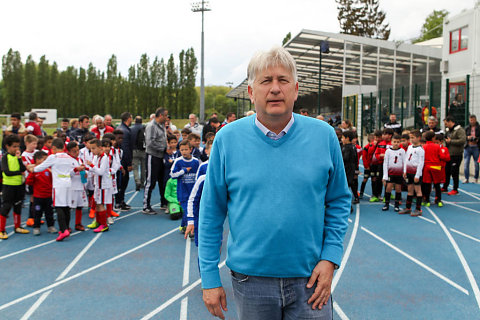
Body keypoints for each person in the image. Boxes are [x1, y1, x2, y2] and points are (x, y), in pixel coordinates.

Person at [198, 47, 350, 320]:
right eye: (266, 81)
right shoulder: (227, 140)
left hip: (311, 278)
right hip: (250, 281)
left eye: (283, 80)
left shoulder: (324, 136)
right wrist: (209, 276)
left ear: (296, 89)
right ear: (251, 92)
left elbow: (338, 200)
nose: (275, 89)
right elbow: (211, 212)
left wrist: (330, 257)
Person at [29, 138, 83, 241]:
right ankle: (66, 227)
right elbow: (74, 169)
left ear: (53, 148)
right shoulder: (69, 157)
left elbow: (41, 167)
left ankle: (63, 230)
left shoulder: (53, 157)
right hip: (68, 183)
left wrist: (32, 169)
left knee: (59, 207)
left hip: (58, 185)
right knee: (66, 207)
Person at [0, 135, 30, 239]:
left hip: (19, 185)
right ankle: (1, 230)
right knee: (6, 207)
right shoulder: (5, 157)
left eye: (18, 146)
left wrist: (18, 159)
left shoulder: (18, 157)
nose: (17, 149)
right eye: (14, 146)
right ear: (7, 146)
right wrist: (19, 173)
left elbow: (23, 168)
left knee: (18, 206)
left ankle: (17, 226)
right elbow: (7, 172)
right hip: (9, 186)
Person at [185, 140, 212, 244]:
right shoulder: (203, 174)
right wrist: (191, 221)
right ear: (206, 151)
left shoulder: (225, 168)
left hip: (215, 214)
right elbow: (193, 198)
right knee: (202, 244)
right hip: (202, 211)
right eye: (212, 149)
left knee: (216, 243)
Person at [170, 140, 200, 233]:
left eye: (186, 149)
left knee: (191, 210)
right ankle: (191, 229)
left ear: (191, 149)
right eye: (182, 150)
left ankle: (183, 225)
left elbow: (199, 176)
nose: (184, 152)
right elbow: (172, 174)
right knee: (187, 210)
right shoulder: (178, 161)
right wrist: (183, 171)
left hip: (193, 191)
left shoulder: (196, 161)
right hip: (182, 191)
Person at [143, 108, 168, 214]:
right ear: (160, 115)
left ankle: (163, 202)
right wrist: (164, 148)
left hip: (161, 156)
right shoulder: (151, 126)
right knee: (150, 181)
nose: (167, 118)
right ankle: (146, 206)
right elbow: (150, 143)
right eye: (166, 115)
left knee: (162, 180)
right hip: (152, 156)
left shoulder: (162, 126)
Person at [26, 151, 56, 235]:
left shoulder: (48, 171)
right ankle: (36, 227)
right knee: (37, 213)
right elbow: (29, 182)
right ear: (37, 160)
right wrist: (32, 173)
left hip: (48, 196)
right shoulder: (34, 171)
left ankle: (50, 226)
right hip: (38, 197)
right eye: (44, 160)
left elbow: (52, 181)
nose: (46, 162)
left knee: (49, 213)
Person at [85, 139, 112, 233]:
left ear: (100, 148)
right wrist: (86, 168)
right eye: (91, 149)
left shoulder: (104, 158)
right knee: (96, 203)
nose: (92, 151)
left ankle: (104, 225)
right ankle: (97, 221)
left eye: (94, 148)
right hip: (97, 184)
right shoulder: (96, 157)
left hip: (103, 185)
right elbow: (94, 169)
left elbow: (100, 171)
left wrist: (91, 165)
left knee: (100, 204)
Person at [399, 130, 425, 216]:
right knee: (409, 190)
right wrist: (405, 171)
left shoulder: (420, 150)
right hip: (409, 172)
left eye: (413, 138)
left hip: (416, 172)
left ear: (419, 138)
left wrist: (417, 175)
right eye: (410, 138)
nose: (411, 139)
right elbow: (406, 159)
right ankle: (408, 207)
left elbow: (421, 163)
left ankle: (418, 209)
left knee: (418, 190)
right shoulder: (410, 147)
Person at [422, 131, 449, 207]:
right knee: (437, 185)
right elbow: (442, 157)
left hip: (427, 167)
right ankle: (438, 200)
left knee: (427, 184)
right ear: (433, 138)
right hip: (436, 167)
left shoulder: (424, 147)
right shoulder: (437, 147)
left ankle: (427, 201)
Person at [66, 141, 88, 231]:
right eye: (74, 151)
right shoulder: (67, 160)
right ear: (69, 151)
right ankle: (66, 226)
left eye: (78, 150)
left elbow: (83, 170)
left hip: (80, 186)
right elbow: (67, 174)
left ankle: (78, 223)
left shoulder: (79, 159)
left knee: (80, 206)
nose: (77, 152)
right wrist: (76, 169)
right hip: (72, 187)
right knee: (69, 207)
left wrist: (85, 173)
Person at [443, 116, 466, 195]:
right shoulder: (448, 130)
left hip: (456, 154)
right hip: (448, 154)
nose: (445, 125)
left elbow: (463, 140)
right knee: (447, 171)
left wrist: (451, 141)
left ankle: (455, 189)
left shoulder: (459, 130)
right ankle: (445, 186)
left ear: (450, 122)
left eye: (446, 123)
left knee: (454, 172)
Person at [382, 134, 405, 211]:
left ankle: (396, 204)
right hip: (390, 172)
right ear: (391, 142)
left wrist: (404, 172)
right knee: (388, 188)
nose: (396, 143)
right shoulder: (388, 151)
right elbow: (385, 163)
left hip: (398, 173)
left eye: (398, 142)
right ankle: (386, 204)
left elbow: (404, 162)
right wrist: (385, 175)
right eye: (394, 141)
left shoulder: (402, 151)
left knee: (398, 188)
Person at [116, 112, 133, 211]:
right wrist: (129, 163)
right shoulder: (124, 131)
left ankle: (120, 201)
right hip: (123, 161)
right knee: (123, 181)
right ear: (128, 118)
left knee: (121, 182)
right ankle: (119, 202)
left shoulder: (122, 129)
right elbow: (125, 148)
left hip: (121, 159)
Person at [22, 134, 38, 227]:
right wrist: (38, 165)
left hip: (39, 178)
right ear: (27, 143)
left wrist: (36, 165)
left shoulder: (37, 152)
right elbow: (28, 167)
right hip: (31, 179)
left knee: (38, 199)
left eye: (36, 144)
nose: (35, 146)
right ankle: (30, 218)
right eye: (33, 144)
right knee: (32, 198)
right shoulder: (24, 155)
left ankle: (36, 217)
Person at [341, 130, 358, 208]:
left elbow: (346, 158)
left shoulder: (349, 147)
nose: (341, 139)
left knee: (346, 186)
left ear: (347, 138)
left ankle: (348, 205)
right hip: (348, 169)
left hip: (348, 169)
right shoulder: (345, 146)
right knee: (348, 185)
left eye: (343, 137)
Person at [131, 116, 146, 191]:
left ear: (135, 121)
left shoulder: (131, 129)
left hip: (134, 151)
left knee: (135, 168)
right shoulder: (145, 128)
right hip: (143, 150)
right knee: (143, 168)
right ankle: (143, 183)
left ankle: (137, 181)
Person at [463, 114, 480, 183]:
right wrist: (467, 138)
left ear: (475, 120)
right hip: (468, 146)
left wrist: (477, 139)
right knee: (466, 163)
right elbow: (463, 136)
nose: (472, 121)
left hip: (476, 147)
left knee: (476, 163)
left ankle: (476, 178)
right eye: (470, 120)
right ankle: (466, 178)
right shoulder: (467, 128)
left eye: (473, 120)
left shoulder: (479, 128)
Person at [359, 133, 374, 198]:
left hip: (373, 166)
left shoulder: (375, 146)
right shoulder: (366, 147)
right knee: (365, 179)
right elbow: (364, 157)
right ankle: (361, 192)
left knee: (374, 180)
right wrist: (366, 166)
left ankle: (374, 194)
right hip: (368, 166)